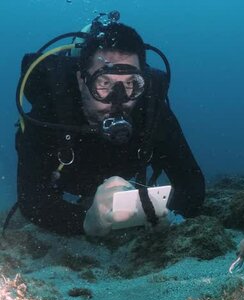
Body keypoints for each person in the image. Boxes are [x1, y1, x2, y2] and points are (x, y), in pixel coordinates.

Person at [12, 14, 205, 237]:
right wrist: (85, 222)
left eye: (131, 84)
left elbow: (191, 183)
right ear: (81, 80)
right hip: (72, 183)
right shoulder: (48, 116)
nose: (119, 99)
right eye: (104, 83)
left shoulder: (151, 112)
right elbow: (32, 200)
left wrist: (171, 216)